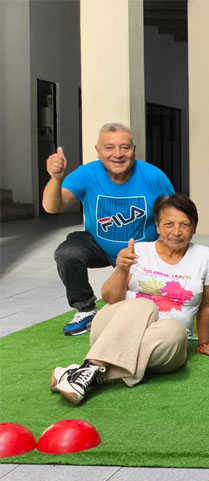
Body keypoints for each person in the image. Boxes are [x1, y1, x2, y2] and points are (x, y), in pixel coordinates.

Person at [50, 194, 209, 405]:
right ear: (157, 226)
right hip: (112, 331)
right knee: (145, 305)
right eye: (169, 224)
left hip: (162, 343)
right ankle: (93, 365)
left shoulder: (206, 256)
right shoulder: (139, 251)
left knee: (176, 331)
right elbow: (110, 297)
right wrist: (122, 268)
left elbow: (208, 302)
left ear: (194, 228)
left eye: (184, 225)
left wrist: (204, 342)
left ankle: (81, 374)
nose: (176, 232)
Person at [42, 123, 175, 336]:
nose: (118, 154)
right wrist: (56, 178)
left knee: (140, 308)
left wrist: (167, 251)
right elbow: (52, 207)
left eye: (125, 147)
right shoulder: (87, 174)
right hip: (99, 246)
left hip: (141, 253)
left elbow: (174, 214)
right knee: (67, 252)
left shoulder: (153, 176)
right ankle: (86, 309)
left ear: (134, 149)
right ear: (98, 151)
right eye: (109, 147)